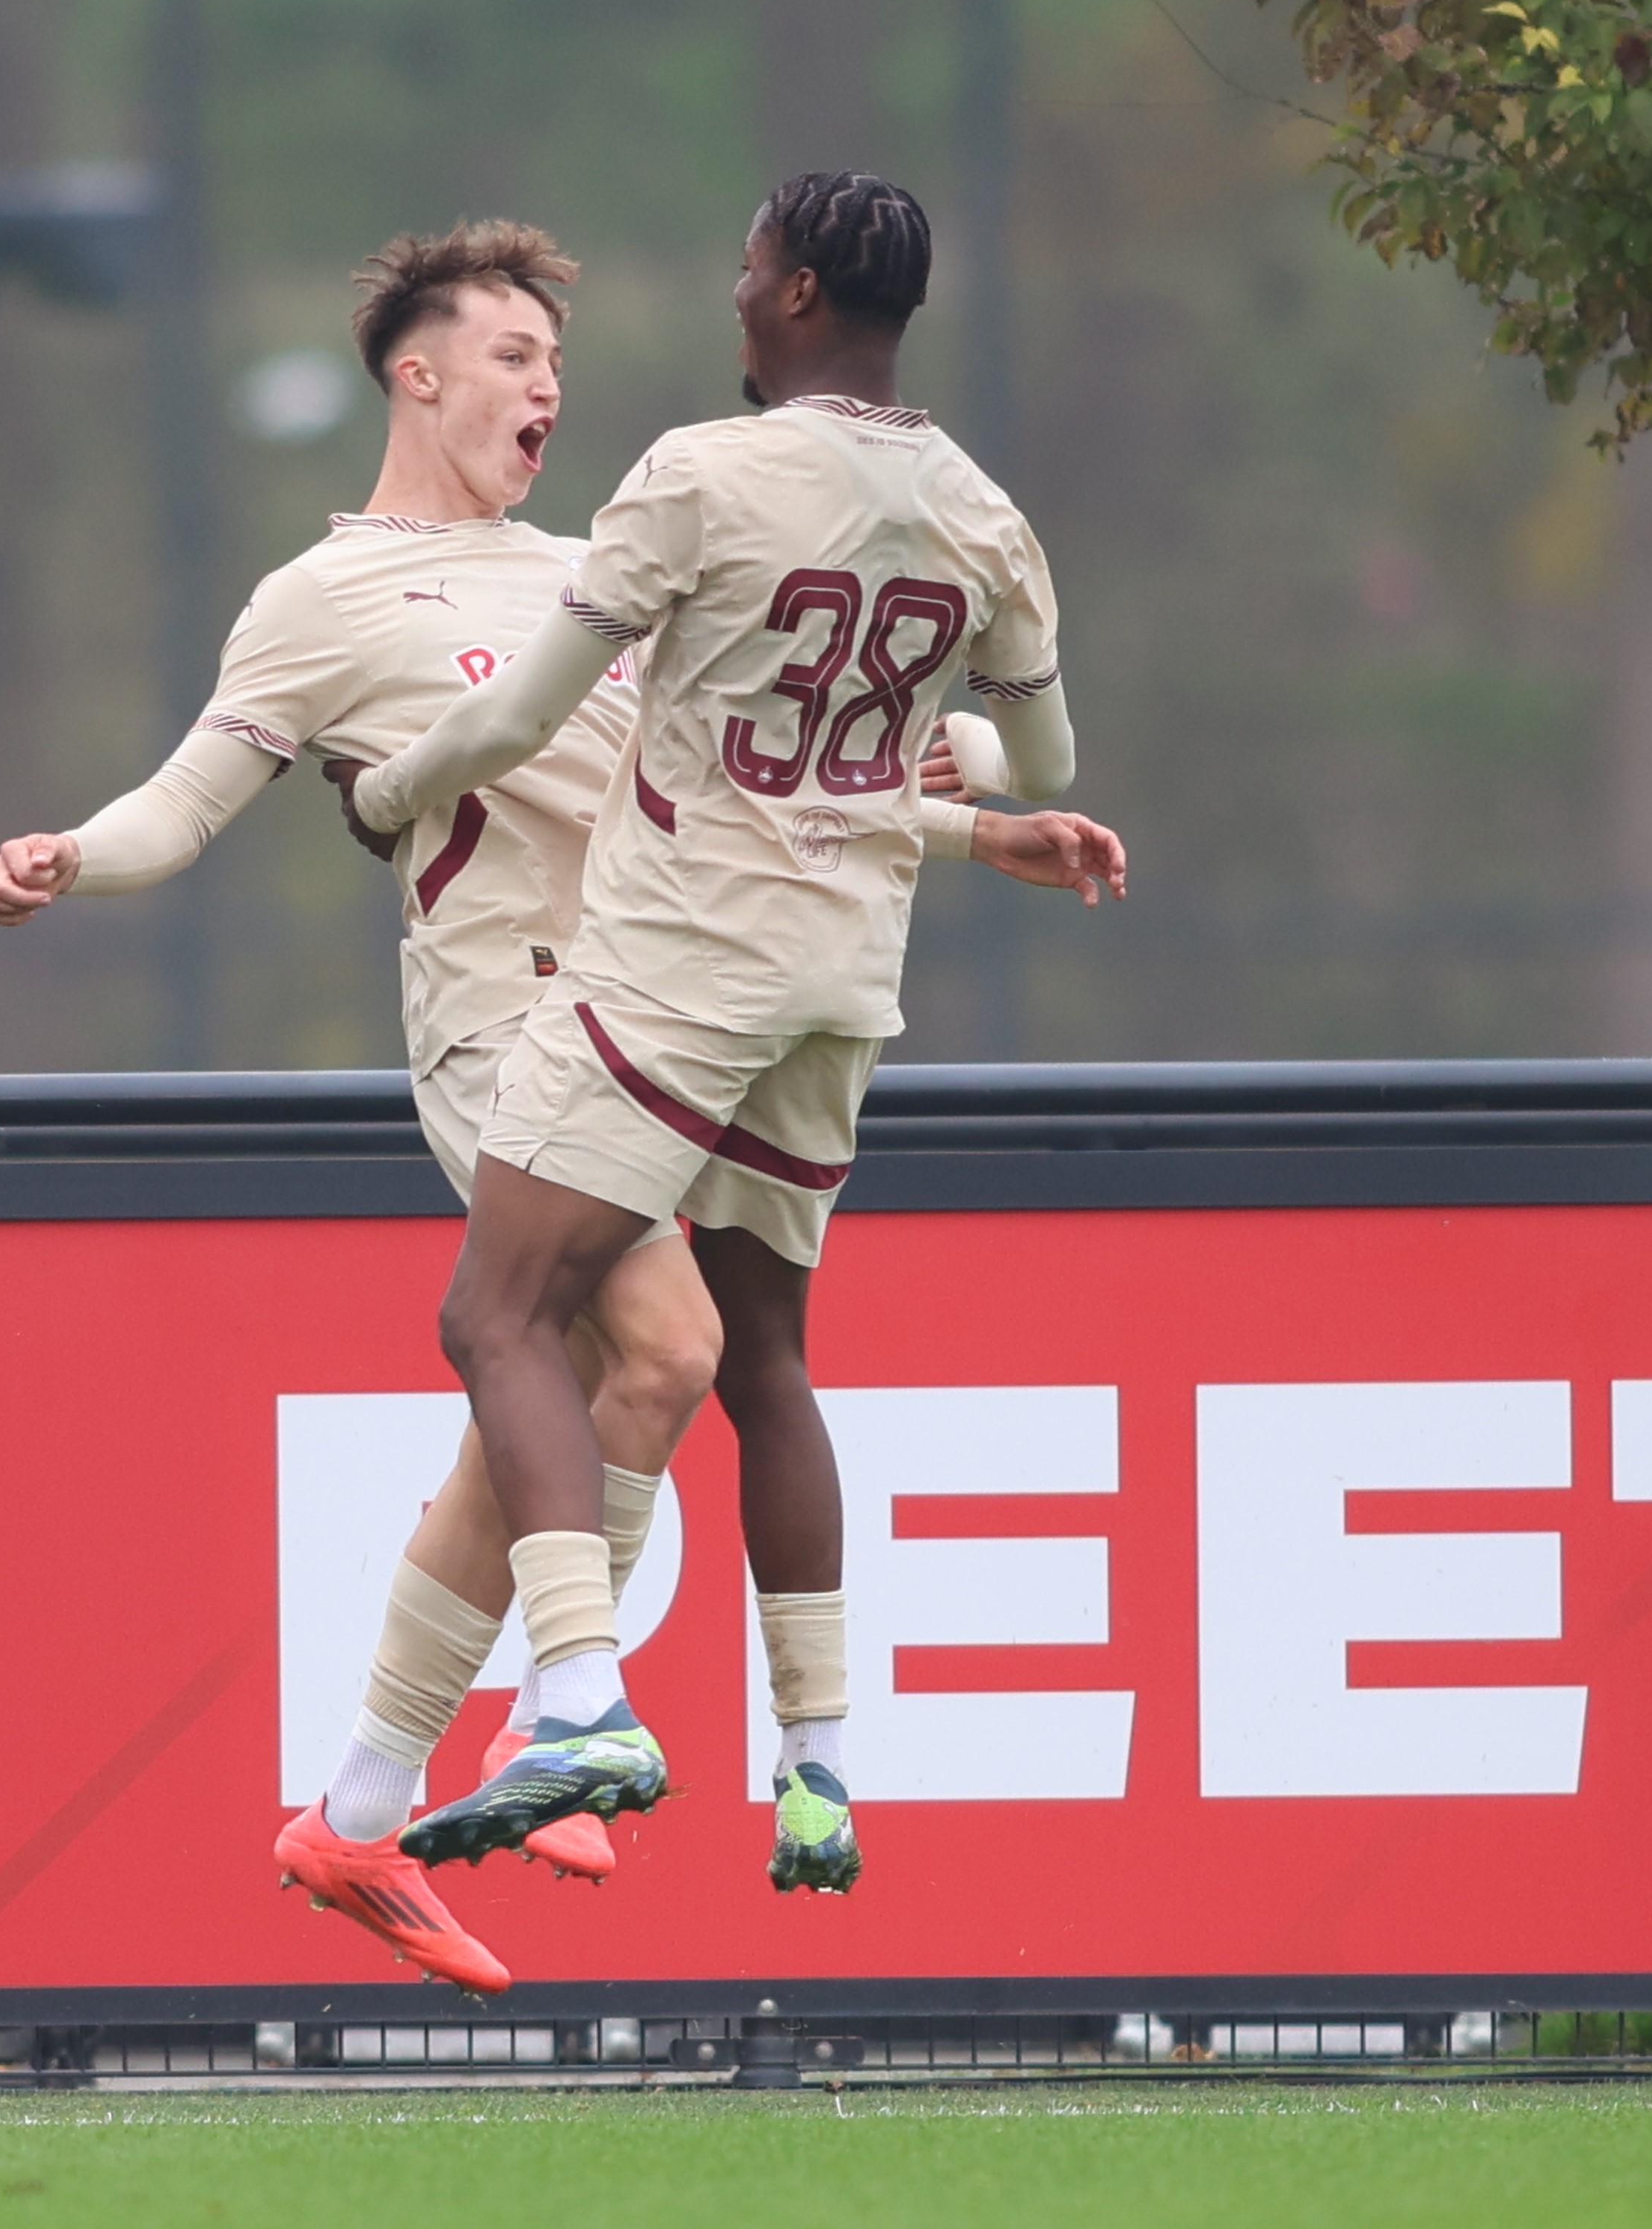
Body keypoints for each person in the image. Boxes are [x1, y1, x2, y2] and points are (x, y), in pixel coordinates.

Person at [0, 220, 1124, 1990]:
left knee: (533, 1419)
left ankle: (361, 1805)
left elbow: (765, 780)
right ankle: (569, 1706)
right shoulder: (321, 598)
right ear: (414, 374)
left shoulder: (606, 561)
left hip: (656, 1017)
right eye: (511, 353)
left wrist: (985, 828)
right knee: (657, 1351)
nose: (545, 383)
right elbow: (183, 803)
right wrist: (74, 857)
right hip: (498, 1030)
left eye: (554, 357)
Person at [339, 172, 1089, 1911]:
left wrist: (387, 787)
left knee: (497, 1312)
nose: (732, 293)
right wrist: (913, 763)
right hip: (846, 988)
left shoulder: (694, 476)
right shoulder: (982, 515)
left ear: (802, 291)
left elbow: (525, 713)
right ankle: (818, 1766)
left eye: (749, 267)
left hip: (678, 975)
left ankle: (581, 1701)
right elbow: (1037, 767)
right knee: (766, 1362)